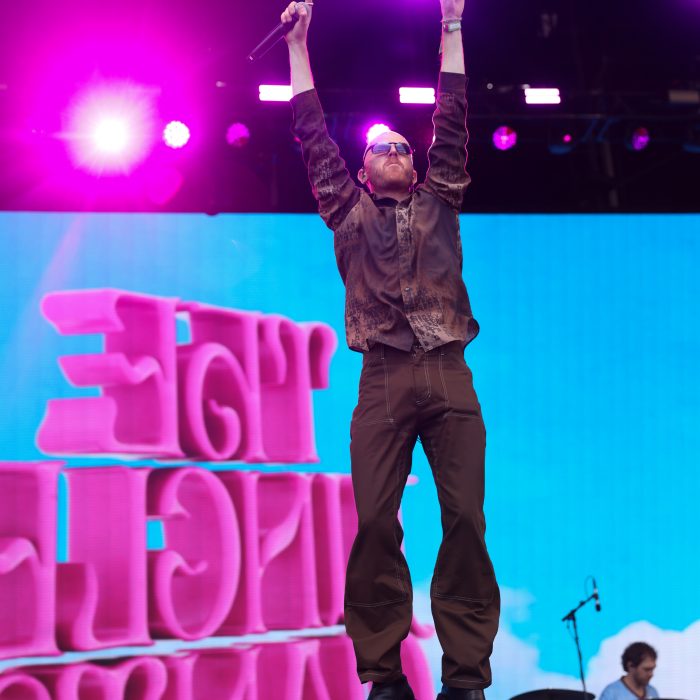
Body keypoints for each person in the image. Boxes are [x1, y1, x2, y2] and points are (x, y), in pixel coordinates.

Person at [283, 1, 500, 698]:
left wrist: (452, 26)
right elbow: (311, 131)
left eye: (405, 146)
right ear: (363, 170)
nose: (398, 151)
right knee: (377, 521)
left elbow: (454, 115)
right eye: (383, 148)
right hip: (382, 377)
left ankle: (464, 675)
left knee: (465, 519)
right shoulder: (346, 211)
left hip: (449, 372)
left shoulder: (442, 200)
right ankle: (383, 674)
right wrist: (298, 44)